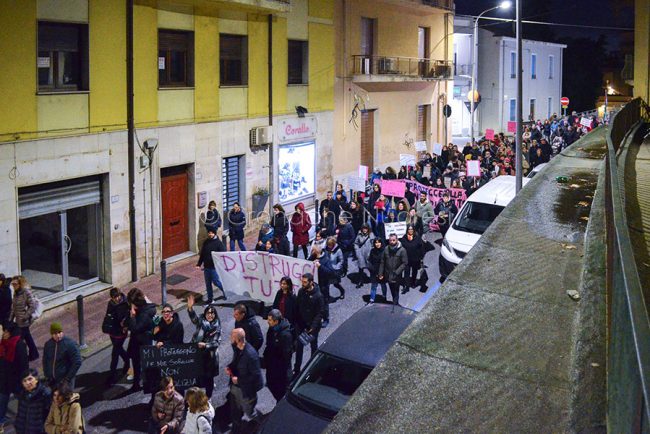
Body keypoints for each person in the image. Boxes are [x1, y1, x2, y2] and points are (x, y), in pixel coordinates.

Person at [226, 329, 264, 431]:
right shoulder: (237, 348)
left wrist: (239, 380)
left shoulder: (251, 355)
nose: (230, 338)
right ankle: (236, 428)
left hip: (246, 391)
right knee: (235, 410)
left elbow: (255, 376)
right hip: (236, 387)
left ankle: (263, 424)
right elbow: (236, 362)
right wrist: (230, 367)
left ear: (237, 340)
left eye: (232, 337)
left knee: (250, 412)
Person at [187, 294, 221, 398]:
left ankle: (208, 398)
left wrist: (206, 345)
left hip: (210, 356)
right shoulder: (201, 321)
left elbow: (216, 343)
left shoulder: (217, 326)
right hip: (198, 353)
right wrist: (190, 308)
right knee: (196, 374)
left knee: (209, 378)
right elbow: (194, 319)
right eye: (208, 313)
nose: (210, 315)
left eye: (212, 313)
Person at [126, 288, 157, 391]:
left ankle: (147, 385)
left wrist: (132, 316)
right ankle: (136, 384)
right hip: (139, 341)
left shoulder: (144, 314)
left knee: (143, 364)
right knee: (136, 363)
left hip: (143, 341)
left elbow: (135, 328)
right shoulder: (144, 307)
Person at [293, 273, 324, 375]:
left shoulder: (318, 296)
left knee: (313, 346)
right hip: (301, 325)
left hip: (312, 327)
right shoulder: (301, 292)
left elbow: (320, 313)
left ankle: (312, 369)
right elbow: (297, 306)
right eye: (302, 281)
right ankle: (297, 369)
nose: (303, 284)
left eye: (305, 282)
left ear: (311, 282)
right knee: (299, 347)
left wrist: (313, 326)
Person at [0, 322, 28, 430]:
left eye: (6, 331)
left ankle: (24, 417)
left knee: (21, 399)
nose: (3, 333)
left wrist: (23, 380)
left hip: (16, 380)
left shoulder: (19, 345)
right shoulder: (4, 343)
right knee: (2, 399)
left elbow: (24, 365)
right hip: (4, 378)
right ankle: (1, 418)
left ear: (11, 332)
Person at [262, 309, 293, 402]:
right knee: (271, 384)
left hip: (280, 369)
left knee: (280, 391)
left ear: (276, 321)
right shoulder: (272, 329)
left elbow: (286, 355)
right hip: (272, 364)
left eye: (270, 320)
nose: (268, 322)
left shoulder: (285, 335)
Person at [42, 323, 82, 389]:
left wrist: (67, 379)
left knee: (67, 398)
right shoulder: (48, 345)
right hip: (53, 381)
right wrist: (47, 375)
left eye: (59, 332)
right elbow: (45, 360)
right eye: (55, 333)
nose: (58, 335)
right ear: (51, 334)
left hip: (65, 381)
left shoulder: (70, 344)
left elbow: (77, 362)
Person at [103, 288, 130, 385]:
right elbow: (108, 315)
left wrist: (126, 325)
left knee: (115, 353)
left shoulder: (125, 303)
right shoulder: (111, 303)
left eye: (118, 296)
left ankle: (112, 376)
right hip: (113, 331)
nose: (117, 299)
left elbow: (129, 316)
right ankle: (127, 360)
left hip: (121, 332)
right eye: (115, 297)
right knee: (118, 349)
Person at [9, 276, 38, 361]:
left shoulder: (26, 292)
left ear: (20, 284)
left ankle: (21, 358)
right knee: (28, 337)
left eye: (15, 284)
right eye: (12, 284)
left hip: (24, 321)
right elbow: (13, 308)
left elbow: (32, 306)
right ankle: (34, 353)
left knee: (19, 339)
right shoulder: (16, 293)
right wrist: (10, 319)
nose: (13, 286)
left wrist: (25, 316)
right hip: (18, 320)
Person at [14, 369, 51, 434]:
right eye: (24, 381)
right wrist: (17, 425)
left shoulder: (45, 393)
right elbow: (19, 413)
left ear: (36, 379)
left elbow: (49, 416)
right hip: (22, 430)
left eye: (30, 379)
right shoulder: (22, 394)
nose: (27, 383)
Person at [196, 228, 226, 304]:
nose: (210, 234)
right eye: (209, 233)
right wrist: (199, 264)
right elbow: (202, 254)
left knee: (216, 282)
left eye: (212, 233)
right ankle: (210, 299)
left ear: (215, 233)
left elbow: (222, 254)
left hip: (214, 267)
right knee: (208, 283)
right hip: (206, 267)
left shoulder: (218, 243)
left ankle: (225, 291)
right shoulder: (206, 242)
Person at [378, 234, 408, 305]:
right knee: (392, 290)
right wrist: (380, 273)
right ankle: (395, 302)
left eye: (394, 240)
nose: (392, 242)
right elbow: (382, 262)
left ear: (397, 240)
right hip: (388, 274)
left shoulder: (402, 250)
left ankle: (395, 304)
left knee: (396, 290)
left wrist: (397, 272)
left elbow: (405, 263)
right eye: (390, 240)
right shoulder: (386, 249)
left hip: (397, 275)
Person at [400, 225, 424, 292]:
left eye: (412, 229)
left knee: (414, 271)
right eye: (409, 229)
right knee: (406, 273)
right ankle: (406, 286)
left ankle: (413, 282)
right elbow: (401, 248)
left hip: (415, 259)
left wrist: (421, 258)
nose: (410, 230)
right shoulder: (404, 238)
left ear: (414, 230)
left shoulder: (418, 238)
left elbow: (421, 248)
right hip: (406, 259)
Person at [367, 238, 388, 303]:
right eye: (376, 242)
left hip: (382, 272)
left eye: (379, 242)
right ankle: (372, 299)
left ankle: (384, 296)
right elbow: (370, 261)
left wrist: (382, 273)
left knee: (383, 285)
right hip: (374, 271)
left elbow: (387, 263)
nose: (377, 244)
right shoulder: (372, 251)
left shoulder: (385, 251)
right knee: (374, 286)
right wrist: (373, 271)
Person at [325, 237, 345, 302]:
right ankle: (327, 297)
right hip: (327, 269)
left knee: (335, 284)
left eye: (330, 245)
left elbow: (341, 260)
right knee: (326, 284)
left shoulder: (338, 250)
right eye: (328, 245)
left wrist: (336, 267)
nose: (328, 246)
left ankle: (342, 291)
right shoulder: (326, 249)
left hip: (334, 270)